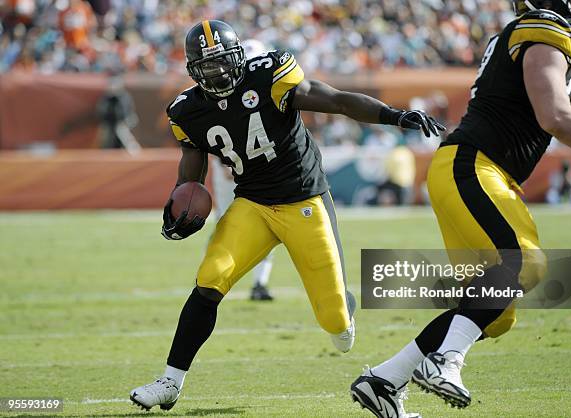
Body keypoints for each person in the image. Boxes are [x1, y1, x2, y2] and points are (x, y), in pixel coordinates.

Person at [129, 19, 444, 412]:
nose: (220, 73)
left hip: (304, 201)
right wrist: (181, 201)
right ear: (194, 71)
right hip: (253, 205)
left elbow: (336, 100)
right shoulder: (187, 110)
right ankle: (170, 381)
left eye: (224, 63)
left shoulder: (270, 76)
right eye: (209, 68)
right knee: (210, 278)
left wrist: (393, 116)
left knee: (334, 321)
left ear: (240, 57)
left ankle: (345, 310)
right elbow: (191, 167)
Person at [351, 1, 571, 417]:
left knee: (494, 309)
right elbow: (556, 115)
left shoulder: (537, 36)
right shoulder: (543, 30)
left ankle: (384, 379)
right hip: (474, 164)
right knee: (524, 262)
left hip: (472, 169)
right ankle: (444, 361)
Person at [211, 38, 276, 301]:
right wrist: (222, 162)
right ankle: (213, 280)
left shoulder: (271, 89)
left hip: (260, 169)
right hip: (232, 168)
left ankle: (259, 283)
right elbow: (212, 130)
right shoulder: (221, 92)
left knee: (269, 226)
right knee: (225, 227)